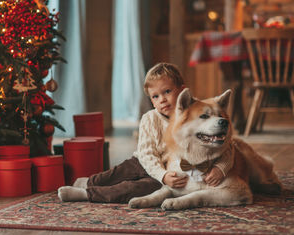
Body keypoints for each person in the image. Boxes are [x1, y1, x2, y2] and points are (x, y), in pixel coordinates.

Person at [58, 62, 233, 203]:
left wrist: (221, 168)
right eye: (155, 96)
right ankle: (88, 182)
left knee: (131, 189)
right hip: (143, 162)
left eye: (167, 92)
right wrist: (161, 175)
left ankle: (87, 195)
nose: (162, 99)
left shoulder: (196, 111)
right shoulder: (150, 119)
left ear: (181, 90)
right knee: (117, 174)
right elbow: (147, 154)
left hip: (170, 170)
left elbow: (226, 146)